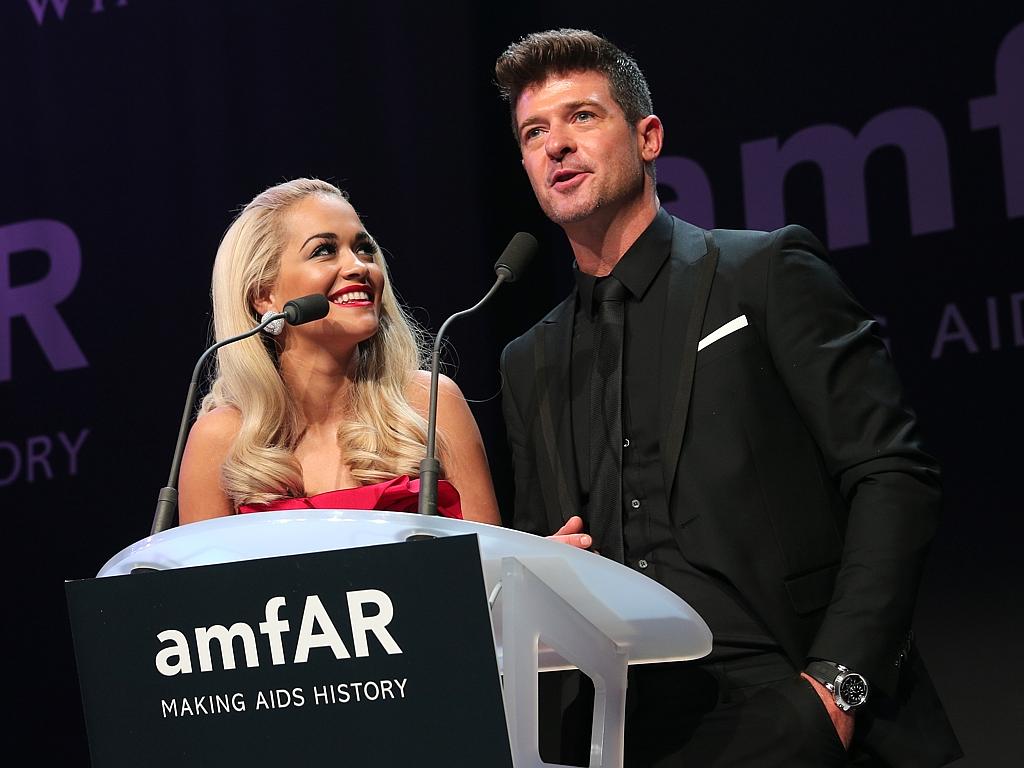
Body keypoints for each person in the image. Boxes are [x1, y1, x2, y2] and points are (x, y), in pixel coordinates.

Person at [495, 29, 961, 767]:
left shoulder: (764, 272)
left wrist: (838, 685)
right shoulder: (528, 361)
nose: (556, 145)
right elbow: (538, 550)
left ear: (648, 137)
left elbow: (893, 474)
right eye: (534, 132)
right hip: (622, 730)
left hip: (788, 700)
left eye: (582, 117)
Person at [178, 178, 500, 526]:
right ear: (263, 294)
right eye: (324, 251)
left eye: (363, 249)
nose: (359, 266)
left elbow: (490, 566)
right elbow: (200, 581)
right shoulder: (220, 439)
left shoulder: (430, 403)